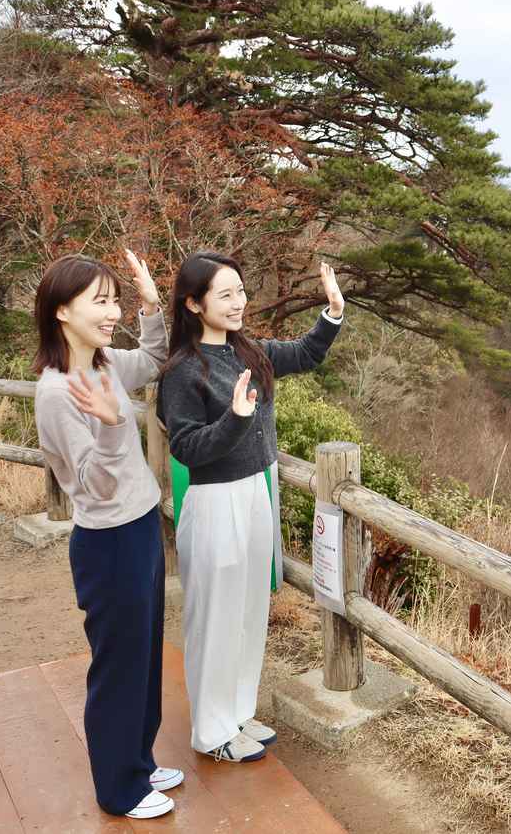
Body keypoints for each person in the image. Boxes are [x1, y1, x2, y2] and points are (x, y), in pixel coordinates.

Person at [158, 252, 344, 762]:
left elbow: (305, 354)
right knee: (215, 618)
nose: (238, 302)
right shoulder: (181, 372)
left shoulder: (249, 351)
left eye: (241, 291)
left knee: (246, 612)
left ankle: (237, 712)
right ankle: (212, 731)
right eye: (225, 294)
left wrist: (332, 313)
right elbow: (188, 448)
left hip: (254, 493)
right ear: (194, 304)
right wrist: (236, 420)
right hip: (214, 500)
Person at [32, 250, 181, 820]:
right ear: (62, 311)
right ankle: (118, 789)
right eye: (101, 301)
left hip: (140, 524)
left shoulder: (103, 363)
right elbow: (90, 483)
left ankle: (137, 761)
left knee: (144, 654)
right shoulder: (56, 391)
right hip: (107, 540)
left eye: (114, 299)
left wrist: (148, 305)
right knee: (117, 664)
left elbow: (155, 357)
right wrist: (117, 429)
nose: (111, 311)